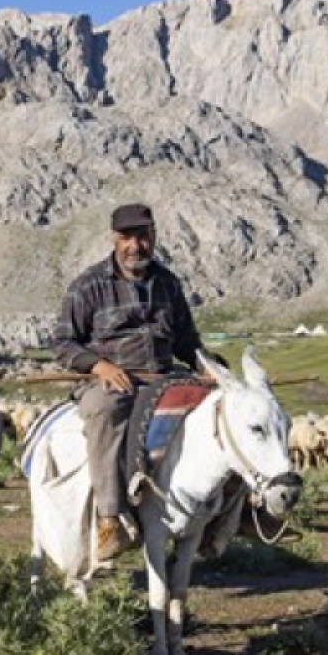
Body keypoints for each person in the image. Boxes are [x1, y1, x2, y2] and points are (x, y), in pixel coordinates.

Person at [53, 202, 210, 563]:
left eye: (142, 236)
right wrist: (98, 366)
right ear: (114, 239)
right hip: (109, 382)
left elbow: (186, 339)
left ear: (153, 236)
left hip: (163, 377)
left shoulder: (168, 284)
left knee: (222, 410)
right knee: (104, 410)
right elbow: (63, 343)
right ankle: (110, 518)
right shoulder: (88, 286)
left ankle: (228, 513)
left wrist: (207, 365)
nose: (135, 246)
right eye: (127, 238)